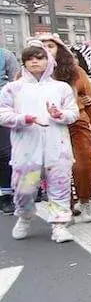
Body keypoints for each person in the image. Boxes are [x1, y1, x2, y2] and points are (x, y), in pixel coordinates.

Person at [0, 40, 79, 243]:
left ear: (48, 60)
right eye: (29, 58)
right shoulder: (12, 89)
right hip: (26, 148)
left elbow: (73, 113)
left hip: (57, 147)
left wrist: (59, 114)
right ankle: (25, 217)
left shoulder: (61, 88)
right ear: (24, 62)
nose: (34, 62)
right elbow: (3, 114)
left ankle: (60, 225)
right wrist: (24, 119)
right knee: (24, 188)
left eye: (39, 57)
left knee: (59, 185)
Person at [42, 34, 91, 224]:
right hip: (47, 127)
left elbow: (90, 101)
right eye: (41, 46)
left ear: (59, 49)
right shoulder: (27, 75)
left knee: (83, 164)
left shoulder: (75, 71)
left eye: (50, 46)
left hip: (78, 123)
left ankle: (85, 201)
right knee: (56, 169)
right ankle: (65, 208)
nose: (46, 49)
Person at [0, 43, 21, 214]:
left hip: (3, 111)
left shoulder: (6, 55)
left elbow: (16, 83)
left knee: (6, 153)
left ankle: (6, 195)